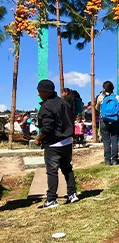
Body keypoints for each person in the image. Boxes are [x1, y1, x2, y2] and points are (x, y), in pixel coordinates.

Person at [34, 79, 78, 209]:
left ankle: (52, 199)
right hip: (67, 142)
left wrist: (38, 138)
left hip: (53, 144)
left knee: (52, 171)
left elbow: (47, 127)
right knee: (67, 168)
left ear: (46, 92)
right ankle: (72, 194)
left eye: (39, 91)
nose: (38, 94)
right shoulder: (64, 103)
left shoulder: (47, 106)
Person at [95, 81, 119, 166]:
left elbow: (97, 108)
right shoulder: (117, 98)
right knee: (114, 140)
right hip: (115, 120)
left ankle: (107, 161)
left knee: (106, 141)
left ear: (104, 89)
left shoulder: (100, 98)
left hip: (104, 121)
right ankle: (114, 160)